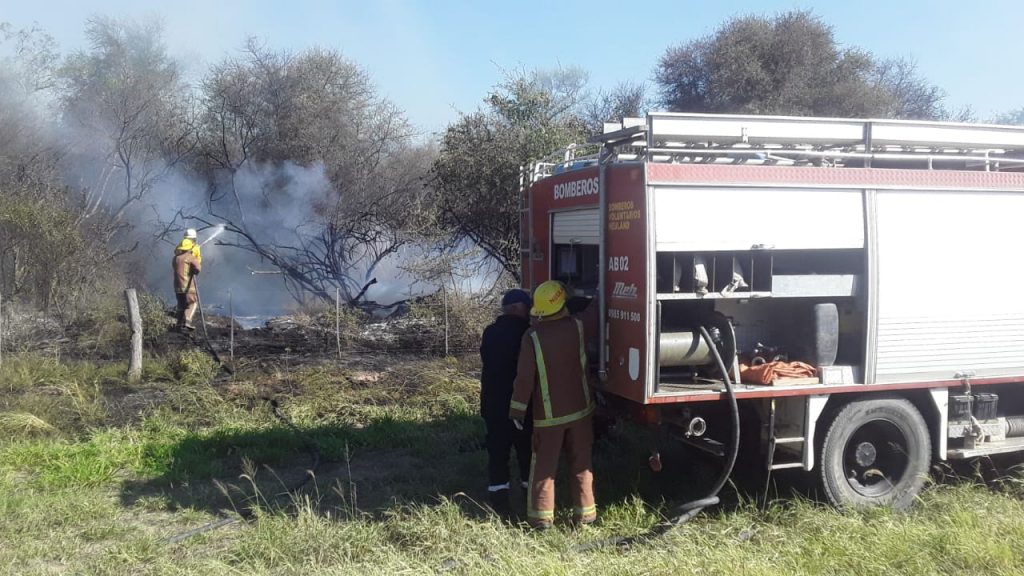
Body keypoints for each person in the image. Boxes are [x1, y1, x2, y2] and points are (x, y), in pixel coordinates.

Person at [510, 280, 596, 529]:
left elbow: (524, 378)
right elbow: (594, 315)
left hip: (548, 417)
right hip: (581, 411)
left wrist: (517, 410)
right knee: (582, 463)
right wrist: (602, 290)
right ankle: (586, 516)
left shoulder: (532, 337)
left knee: (544, 468)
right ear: (561, 304)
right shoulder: (578, 327)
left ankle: (541, 519)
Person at [479, 288, 534, 514]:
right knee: (526, 451)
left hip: (493, 404)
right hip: (521, 406)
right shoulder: (529, 333)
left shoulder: (490, 332)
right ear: (517, 308)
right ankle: (530, 497)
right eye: (527, 307)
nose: (530, 311)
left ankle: (499, 502)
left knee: (498, 453)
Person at [172, 232, 202, 332]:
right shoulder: (190, 257)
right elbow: (198, 268)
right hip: (188, 287)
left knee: (181, 305)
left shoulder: (175, 258)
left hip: (177, 286)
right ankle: (187, 322)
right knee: (193, 303)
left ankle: (178, 325)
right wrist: (196, 259)